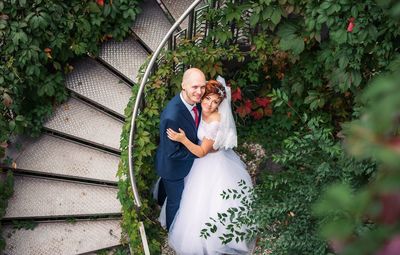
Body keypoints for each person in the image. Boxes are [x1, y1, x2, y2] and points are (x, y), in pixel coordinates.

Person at [164, 77, 253, 254]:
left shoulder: (215, 121)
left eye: (216, 102)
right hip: (200, 161)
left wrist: (183, 139)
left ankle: (211, 241)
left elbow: (202, 152)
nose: (211, 105)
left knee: (207, 201)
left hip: (208, 161)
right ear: (202, 96)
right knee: (191, 198)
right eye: (208, 99)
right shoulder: (198, 108)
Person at [155, 67, 206, 231]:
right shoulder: (173, 116)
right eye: (195, 87)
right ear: (183, 85)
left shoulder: (195, 103)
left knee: (168, 191)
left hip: (179, 163)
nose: (199, 92)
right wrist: (199, 152)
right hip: (173, 168)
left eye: (202, 87)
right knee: (175, 201)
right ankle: (172, 231)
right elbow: (173, 152)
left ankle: (159, 198)